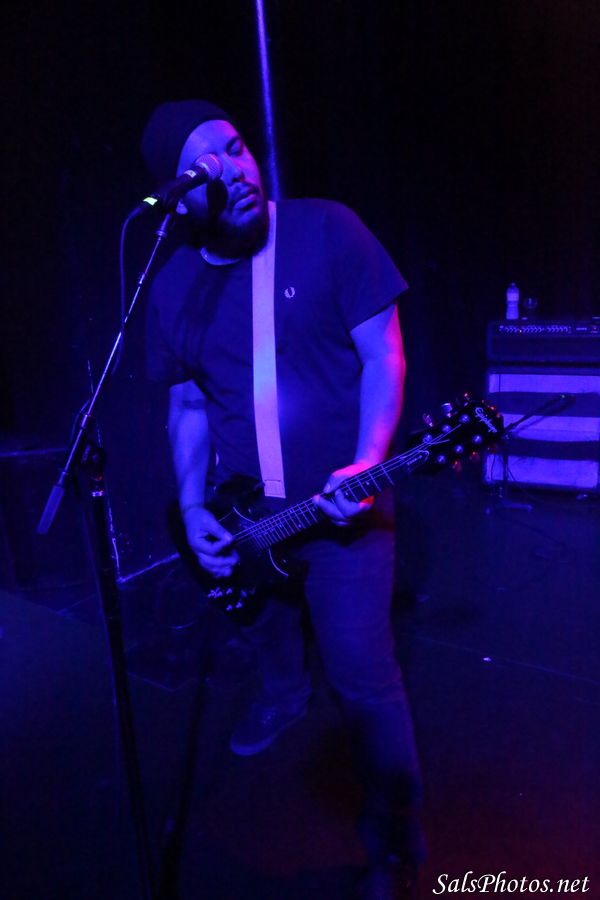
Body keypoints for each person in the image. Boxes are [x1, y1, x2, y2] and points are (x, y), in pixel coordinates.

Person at [141, 99, 425, 899]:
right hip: (246, 512)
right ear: (179, 199)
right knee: (262, 621)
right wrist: (192, 508)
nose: (235, 171)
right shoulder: (173, 287)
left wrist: (367, 461)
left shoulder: (329, 230)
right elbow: (187, 406)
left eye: (236, 148)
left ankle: (396, 848)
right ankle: (281, 693)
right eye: (207, 168)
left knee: (363, 680)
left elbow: (385, 354)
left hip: (341, 512)